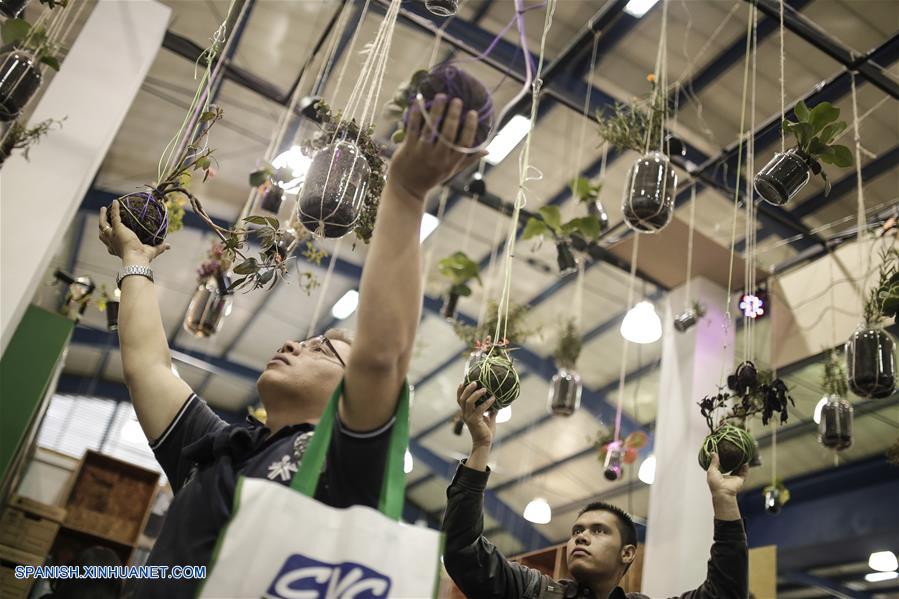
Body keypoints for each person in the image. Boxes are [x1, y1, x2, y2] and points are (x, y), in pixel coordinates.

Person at [97, 94, 483, 597]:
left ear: (352, 396)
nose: (294, 345)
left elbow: (381, 357)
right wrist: (135, 259)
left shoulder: (348, 464)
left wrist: (407, 192)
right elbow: (148, 366)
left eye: (322, 350)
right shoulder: (219, 451)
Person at [443, 383, 749, 599]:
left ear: (627, 553)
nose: (581, 536)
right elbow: (464, 552)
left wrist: (724, 500)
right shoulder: (531, 591)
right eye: (577, 530)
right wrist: (481, 447)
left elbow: (725, 594)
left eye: (599, 531)